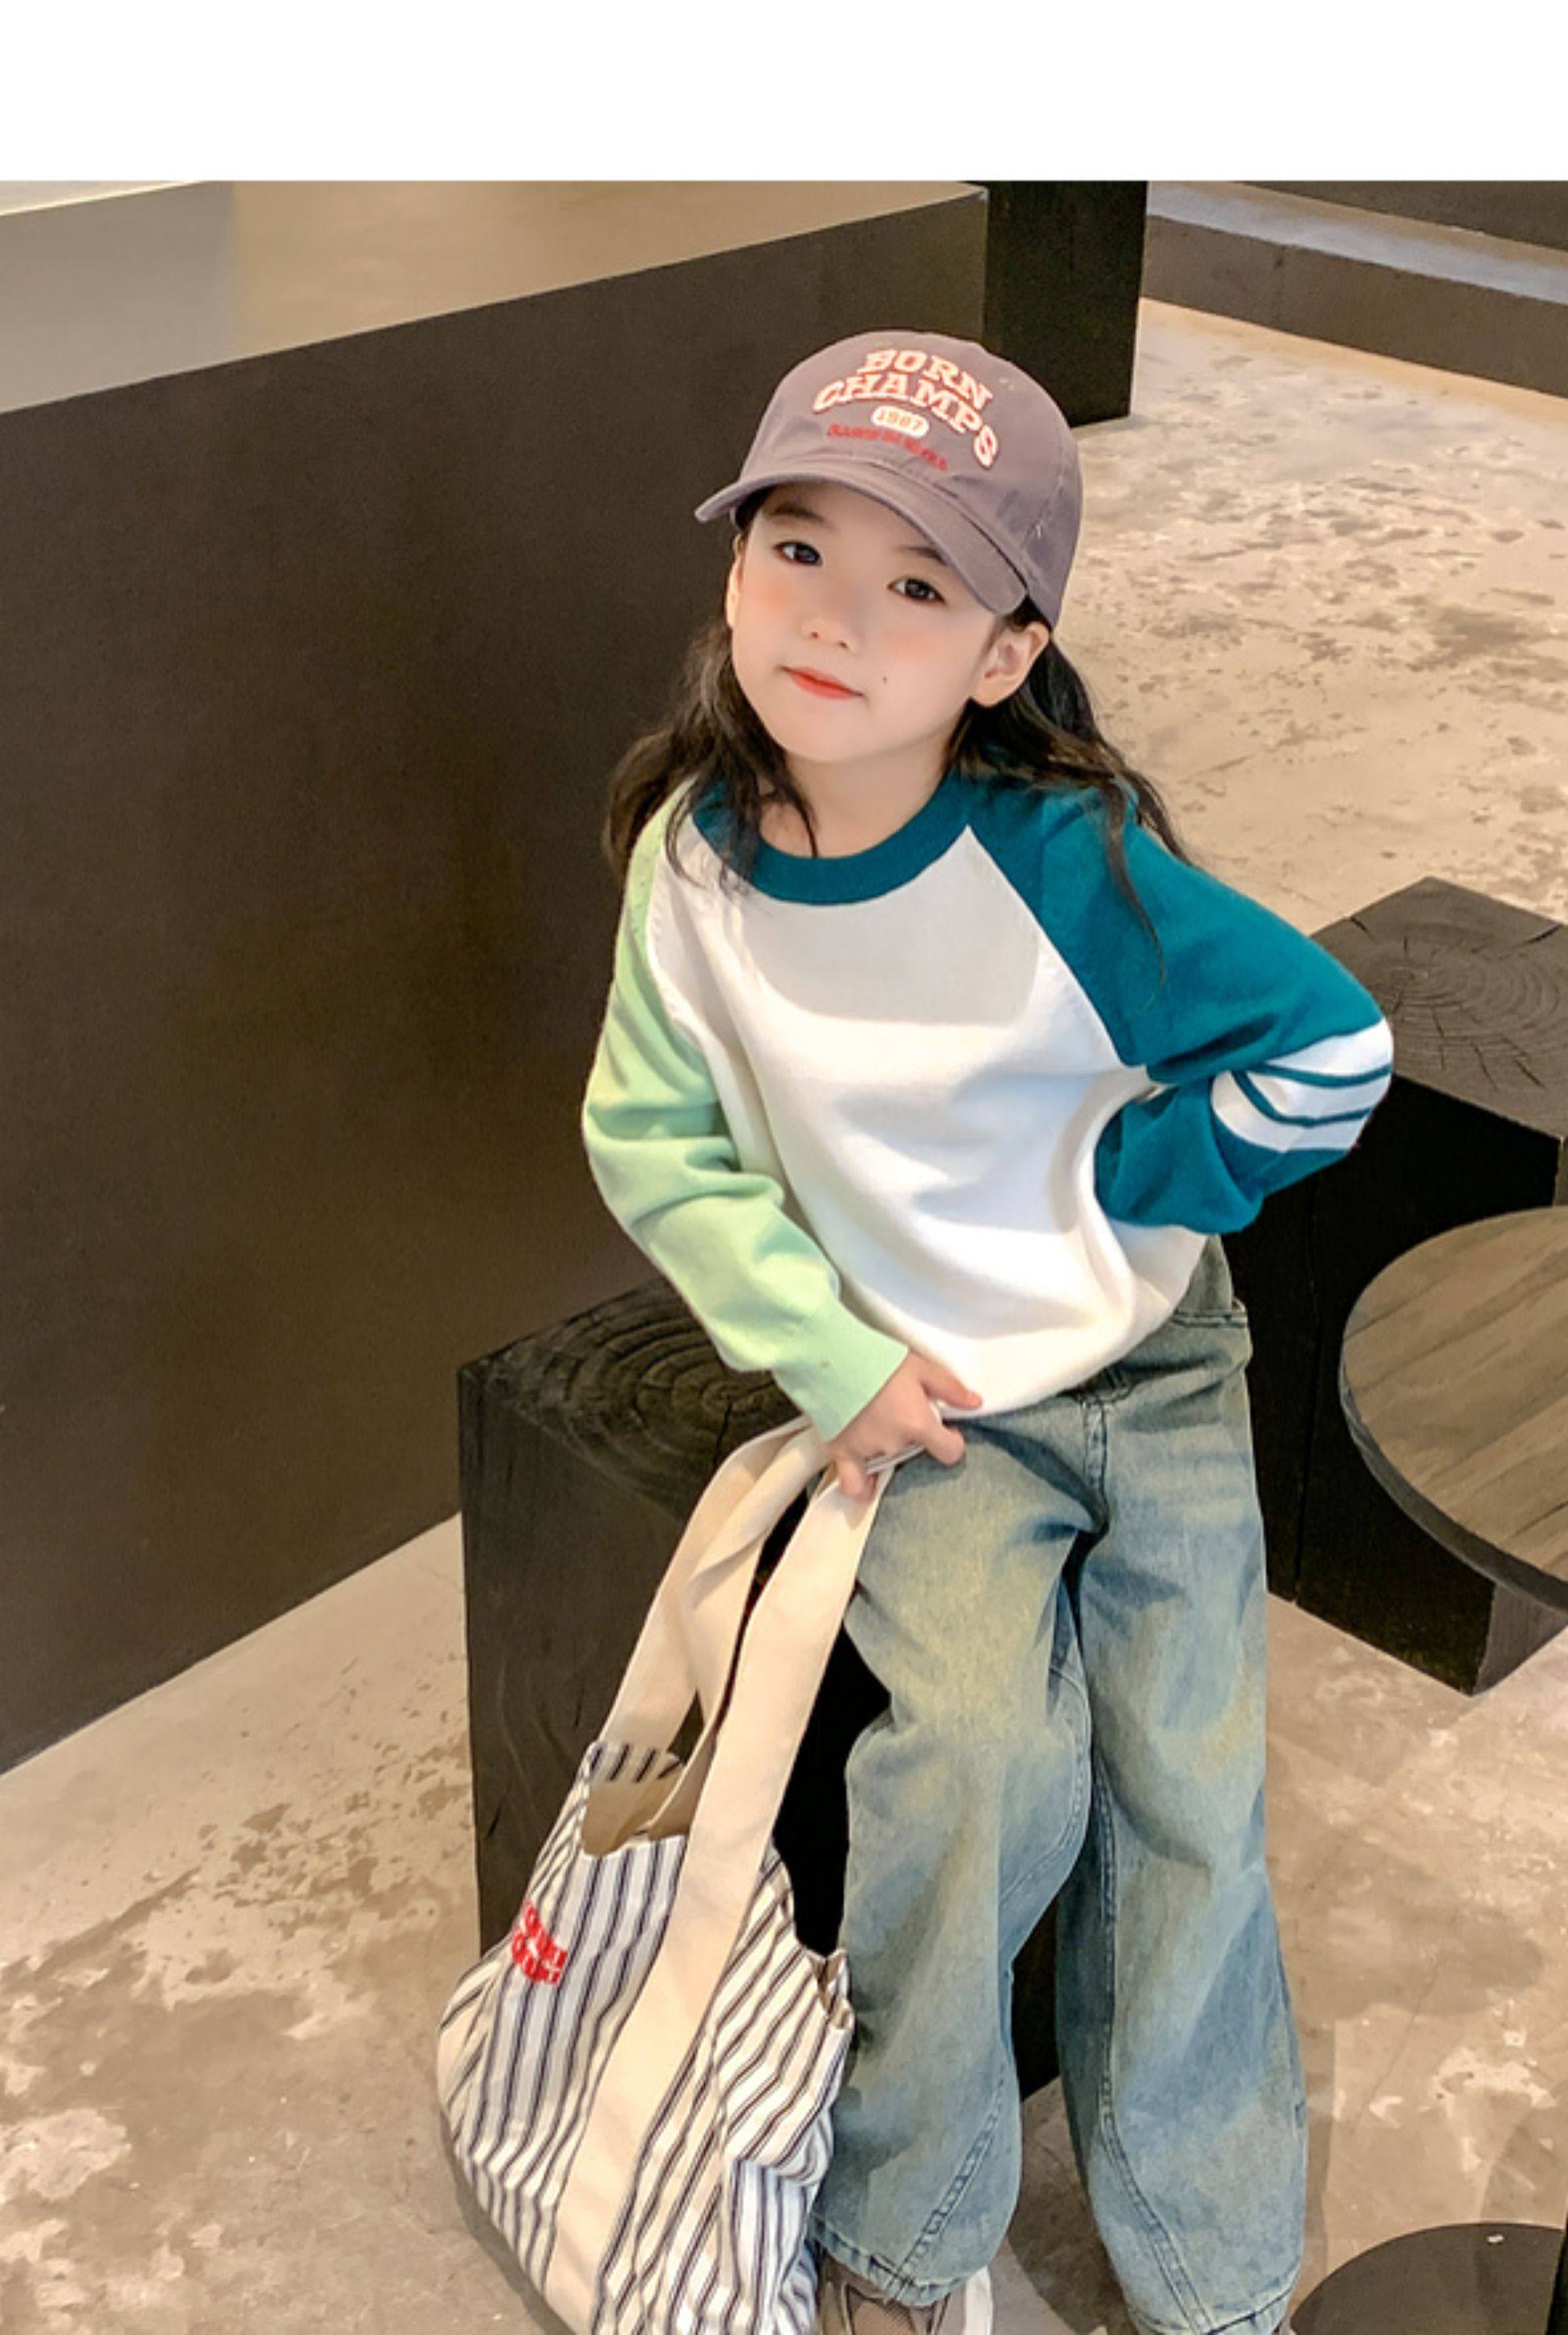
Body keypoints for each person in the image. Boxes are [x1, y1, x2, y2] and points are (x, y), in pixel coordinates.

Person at [580, 330, 1392, 2335]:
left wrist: (1132, 1182)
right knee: (965, 1768)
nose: (837, 616)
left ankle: (1208, 2266)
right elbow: (653, 1139)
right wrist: (829, 1353)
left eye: (918, 582)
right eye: (794, 549)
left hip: (1155, 1370)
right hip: (930, 1408)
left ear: (1007, 651)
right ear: (731, 569)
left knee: (1188, 1781)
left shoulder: (1065, 862)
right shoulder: (691, 868)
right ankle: (901, 2225)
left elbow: (1330, 1047)